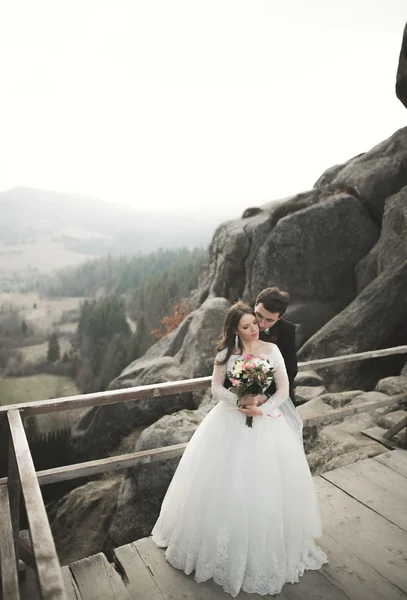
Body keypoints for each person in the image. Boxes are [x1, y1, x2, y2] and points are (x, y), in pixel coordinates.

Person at [151, 302, 327, 597]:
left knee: (264, 486)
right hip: (228, 421)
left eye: (255, 324)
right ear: (235, 329)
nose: (254, 328)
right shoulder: (225, 354)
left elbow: (283, 389)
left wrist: (261, 405)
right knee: (223, 484)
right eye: (246, 326)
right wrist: (239, 401)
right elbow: (216, 388)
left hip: (266, 422)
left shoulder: (271, 351)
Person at [255, 287, 298, 405]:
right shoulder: (240, 323)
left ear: (280, 317)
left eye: (269, 320)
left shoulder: (287, 330)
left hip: (277, 396)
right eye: (259, 315)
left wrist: (266, 395)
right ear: (255, 305)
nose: (261, 324)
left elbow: (291, 369)